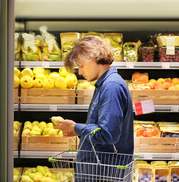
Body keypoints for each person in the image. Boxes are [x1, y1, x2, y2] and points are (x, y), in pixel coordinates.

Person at [54, 36, 134, 182]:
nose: (80, 72)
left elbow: (108, 134)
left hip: (104, 174)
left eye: (81, 65)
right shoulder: (105, 84)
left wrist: (77, 127)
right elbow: (103, 129)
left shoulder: (111, 87)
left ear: (93, 57)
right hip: (100, 172)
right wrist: (77, 130)